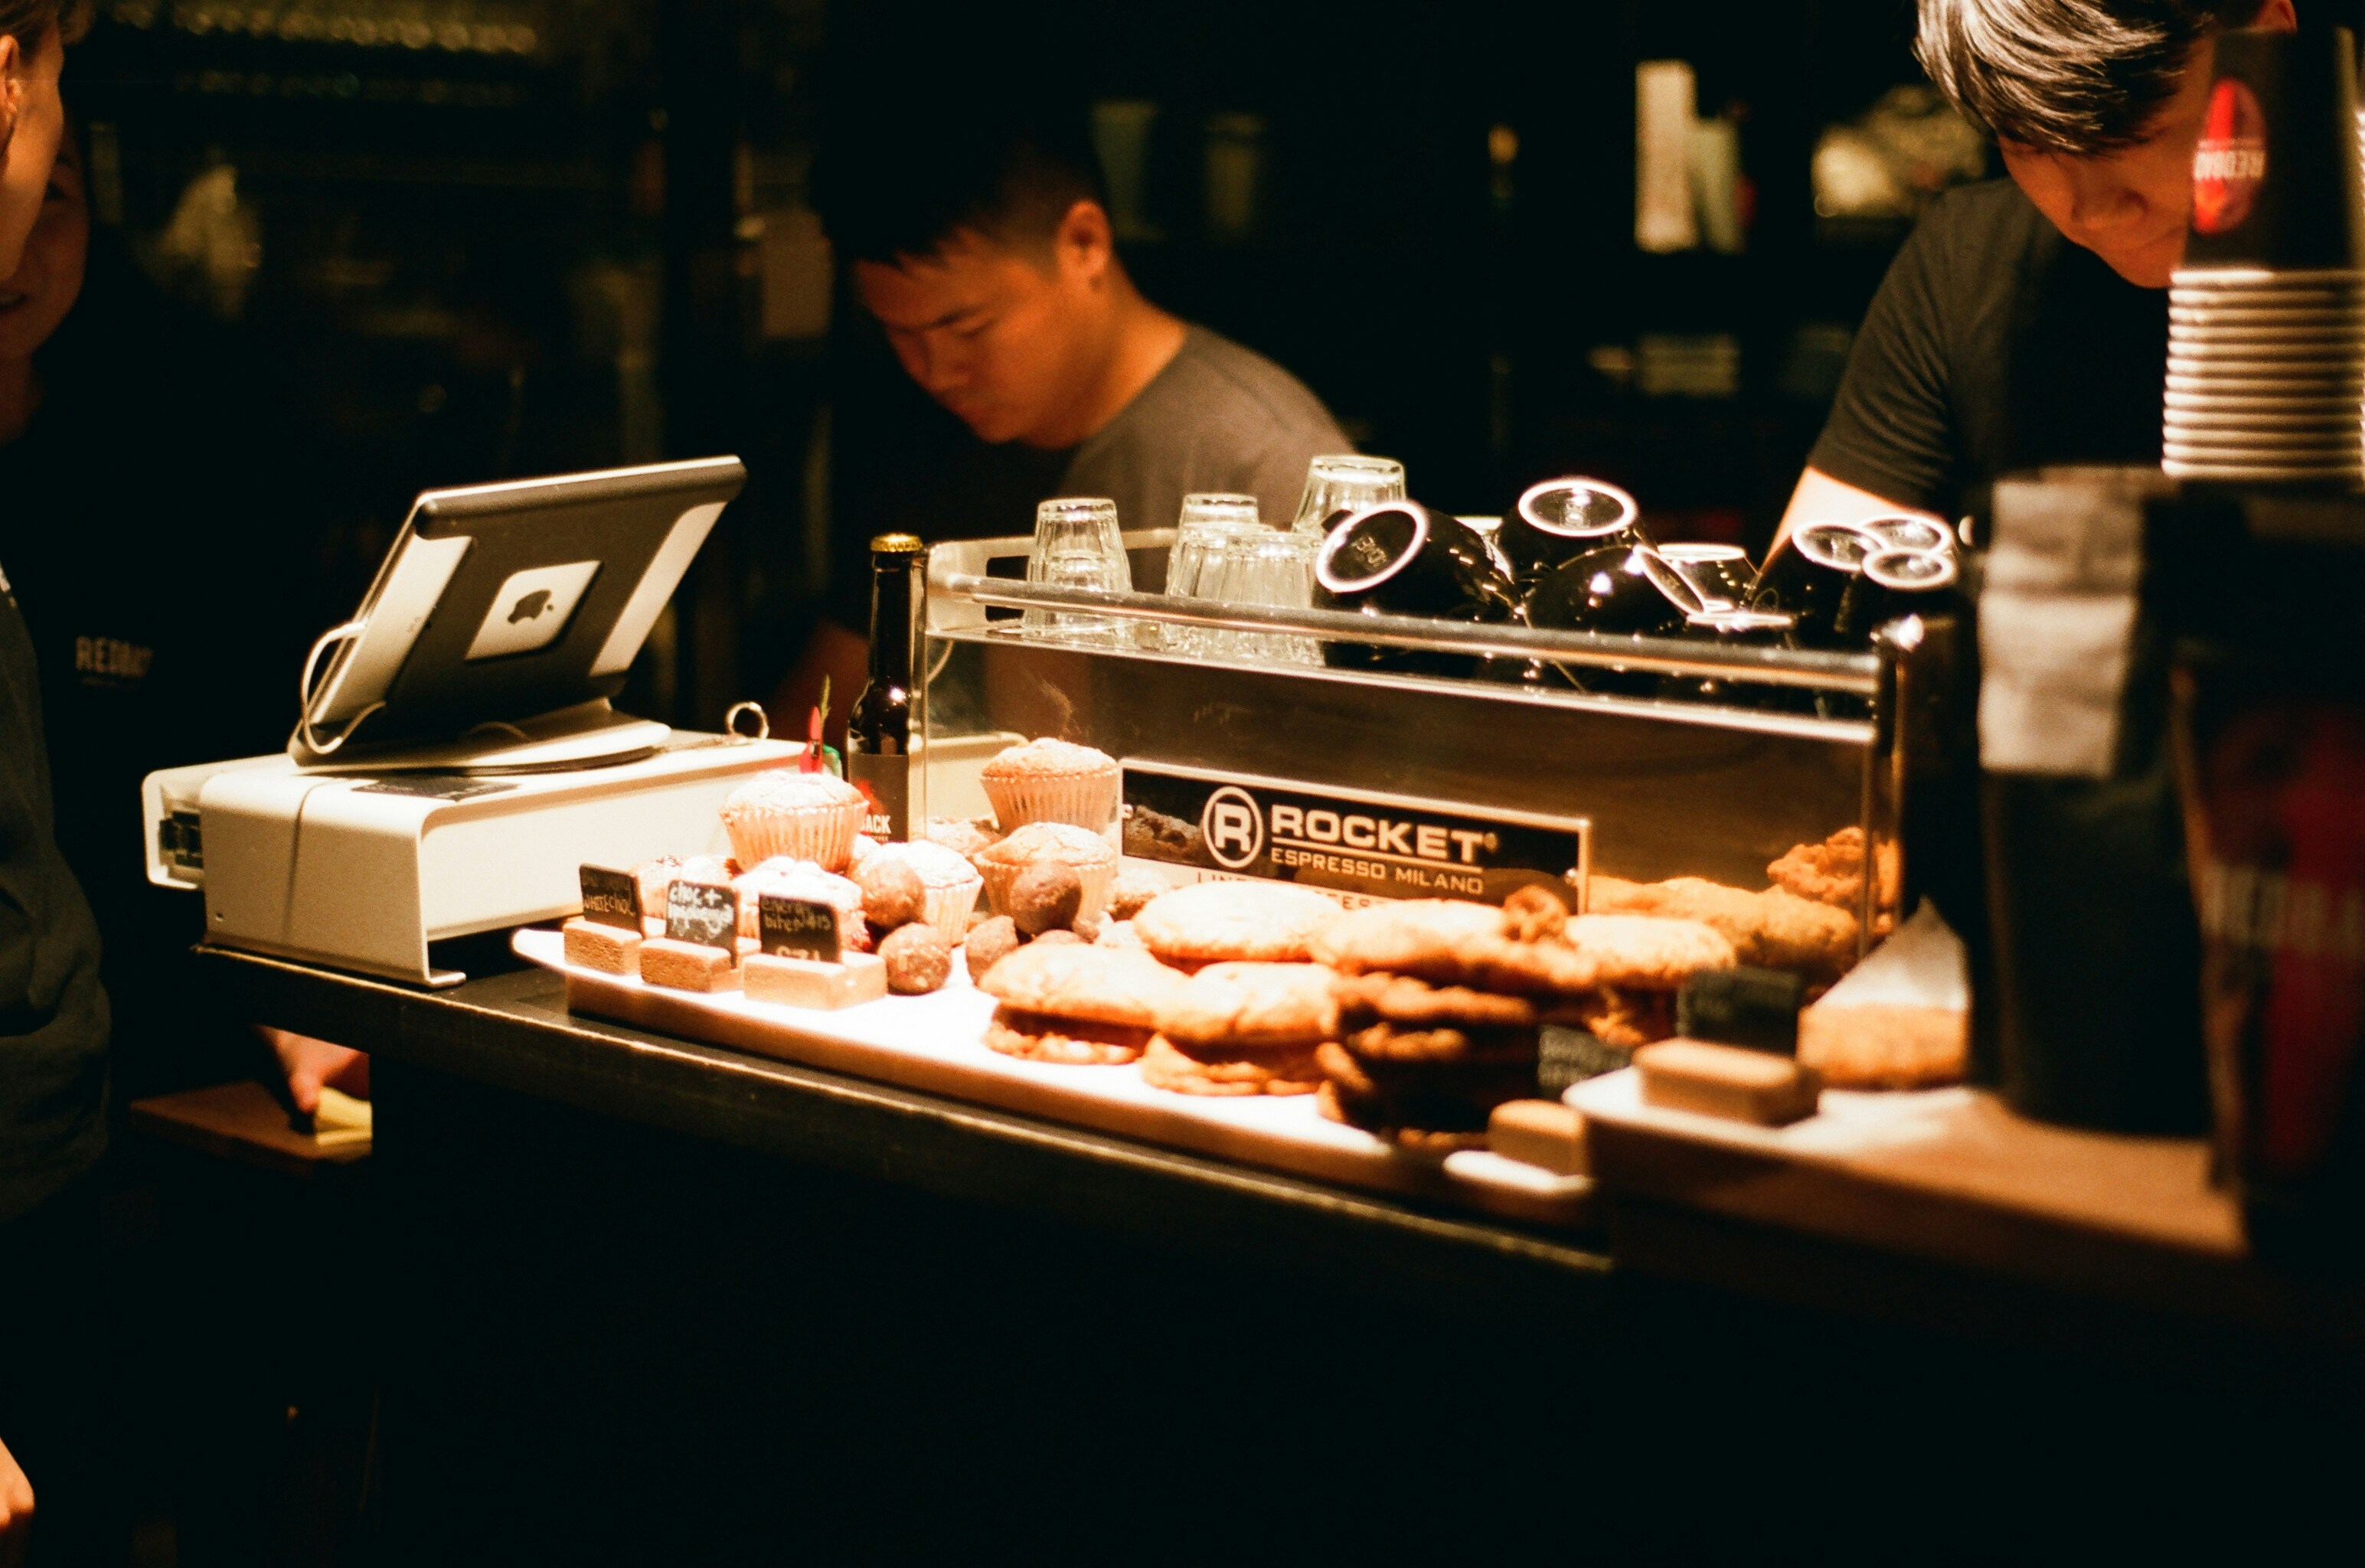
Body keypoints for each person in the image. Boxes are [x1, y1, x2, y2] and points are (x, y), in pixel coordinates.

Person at [772, 87, 1349, 744]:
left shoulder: (1264, 461)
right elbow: (816, 718)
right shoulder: (931, 438)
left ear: (1083, 243)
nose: (934, 370)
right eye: (898, 333)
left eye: (967, 328)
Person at [1782, 0, 2299, 536]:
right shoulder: (1967, 259)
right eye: (2026, 143)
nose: (2093, 212)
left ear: (2271, 44)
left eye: (2137, 135)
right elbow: (1819, 564)